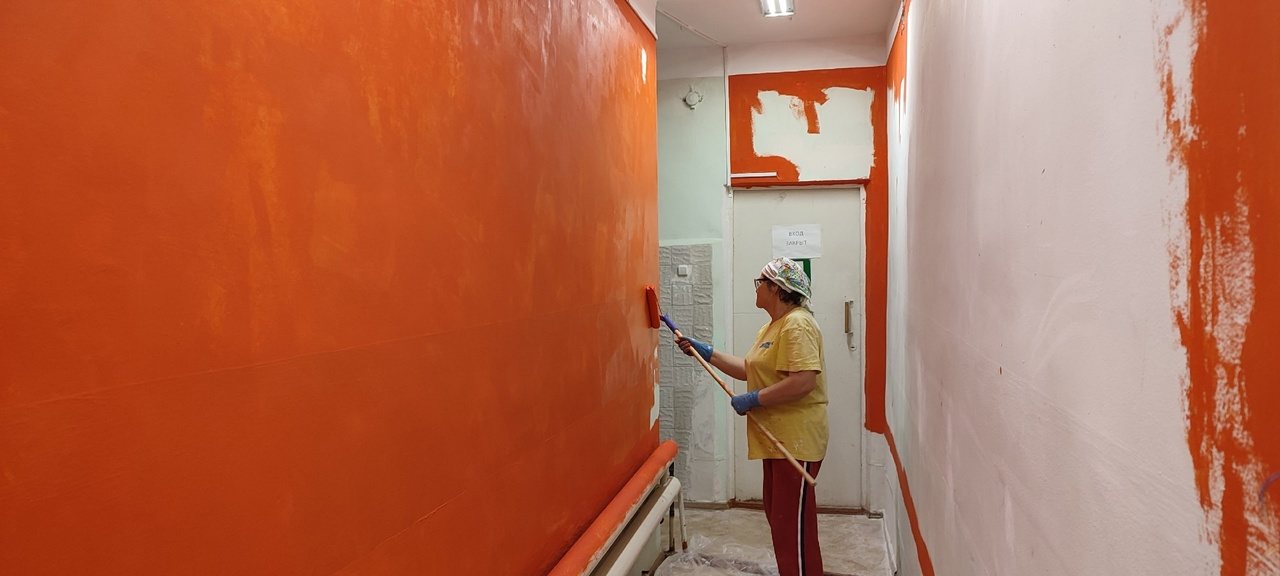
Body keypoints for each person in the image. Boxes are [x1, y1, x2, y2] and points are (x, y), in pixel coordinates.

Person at [676, 257, 828, 576]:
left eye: (760, 283)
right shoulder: (772, 326)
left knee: (794, 530)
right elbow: (750, 370)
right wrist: (706, 352)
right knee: (781, 522)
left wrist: (754, 399)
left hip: (795, 441)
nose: (756, 289)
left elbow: (804, 381)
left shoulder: (797, 324)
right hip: (776, 439)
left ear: (776, 288)